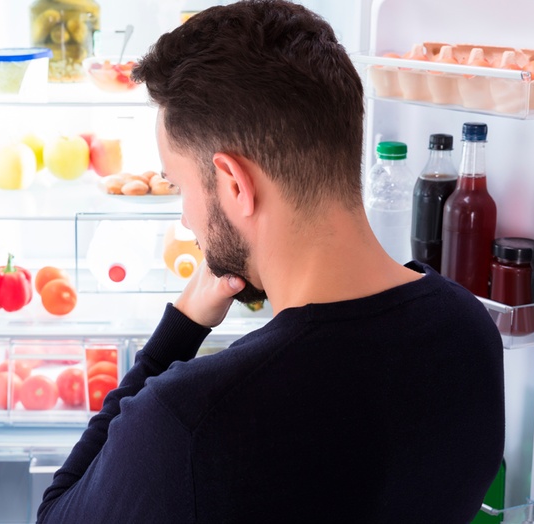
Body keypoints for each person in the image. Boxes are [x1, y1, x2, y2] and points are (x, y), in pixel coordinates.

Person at [37, 1, 505, 522]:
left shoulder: (191, 421)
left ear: (235, 184)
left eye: (178, 185)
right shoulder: (471, 330)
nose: (187, 220)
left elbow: (55, 513)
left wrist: (175, 336)